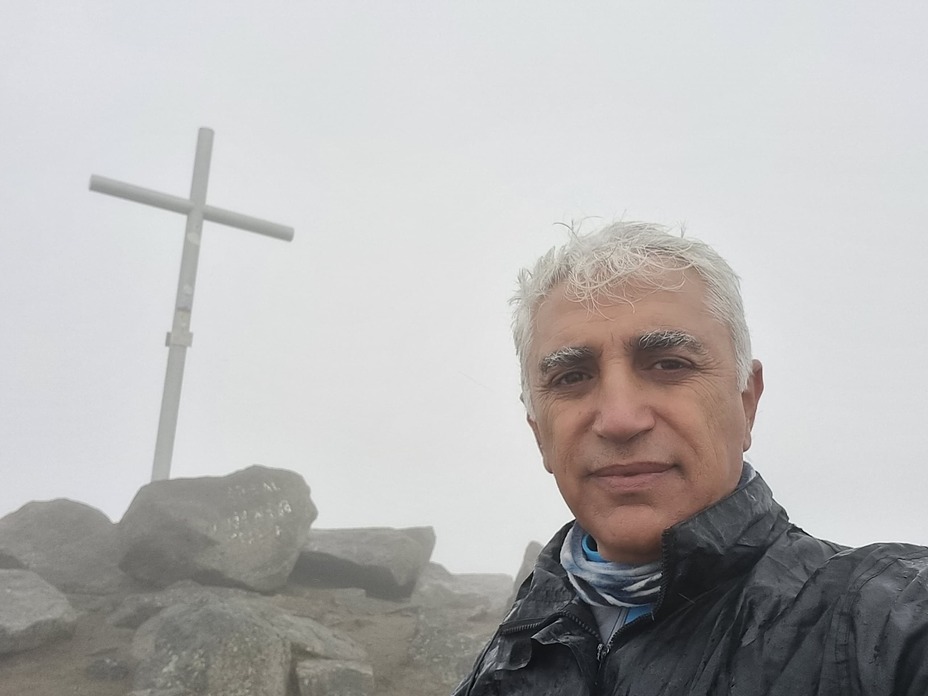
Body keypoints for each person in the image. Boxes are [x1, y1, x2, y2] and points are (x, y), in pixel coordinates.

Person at [453, 221, 928, 695]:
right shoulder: (505, 658)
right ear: (540, 433)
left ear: (747, 401)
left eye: (669, 365)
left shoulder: (894, 616)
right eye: (571, 377)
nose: (620, 419)